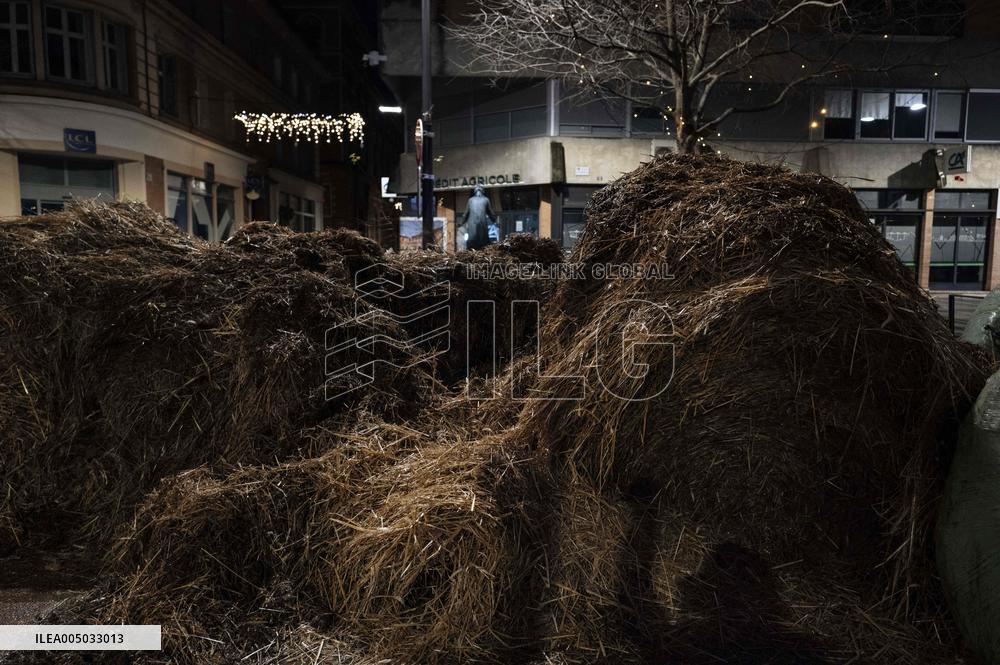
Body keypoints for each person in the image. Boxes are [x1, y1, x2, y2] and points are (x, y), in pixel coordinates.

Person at [459, 185, 497, 251]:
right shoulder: (486, 199)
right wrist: (494, 221)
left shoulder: (470, 200)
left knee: (471, 243)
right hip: (482, 225)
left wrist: (461, 223)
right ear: (483, 191)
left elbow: (465, 214)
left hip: (472, 226)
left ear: (475, 191)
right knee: (483, 243)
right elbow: (490, 213)